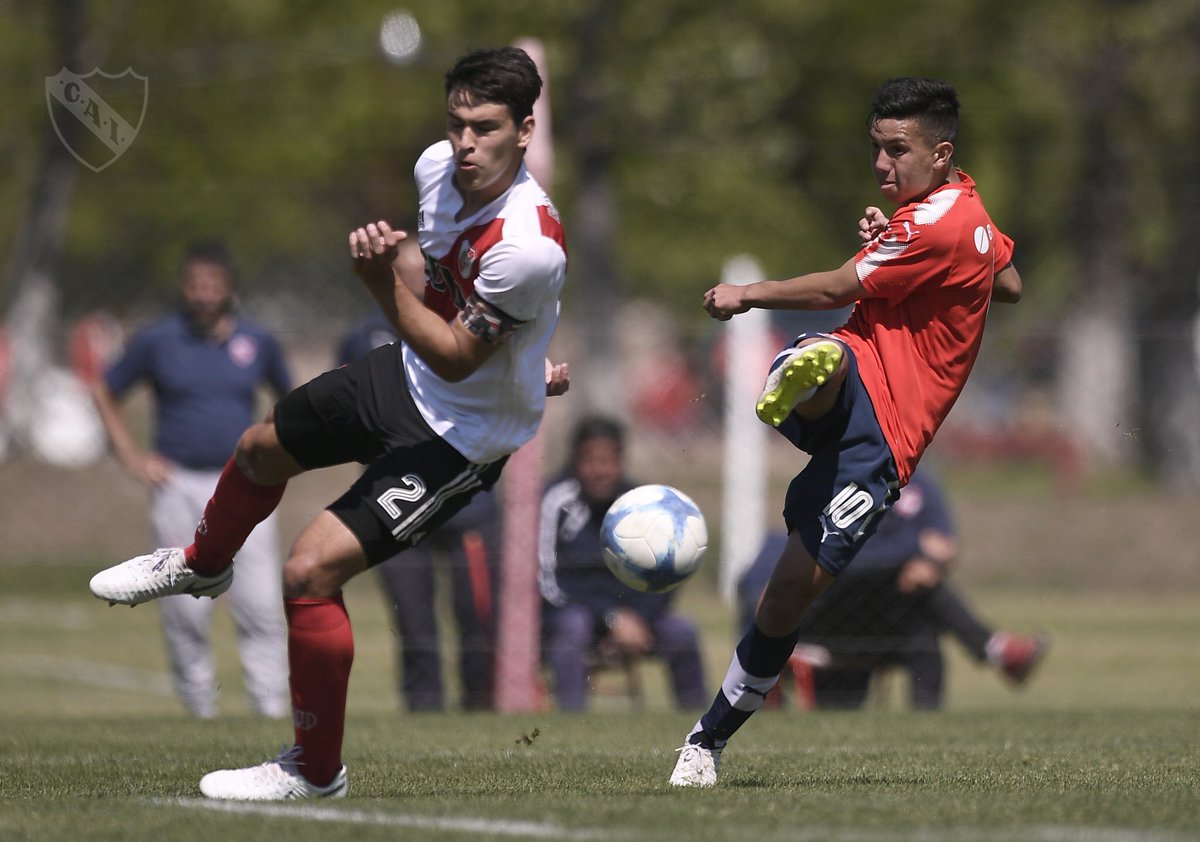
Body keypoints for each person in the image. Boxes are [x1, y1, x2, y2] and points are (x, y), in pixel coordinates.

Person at [89, 46, 570, 800]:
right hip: (407, 377)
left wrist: (382, 284)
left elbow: (454, 356)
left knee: (308, 572)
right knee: (257, 449)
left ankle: (314, 773)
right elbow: (438, 285)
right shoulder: (435, 170)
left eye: (484, 127)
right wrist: (398, 264)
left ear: (526, 130)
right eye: (456, 124)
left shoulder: (530, 246)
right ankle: (204, 563)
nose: (465, 144)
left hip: (463, 435)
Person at [672, 76, 1023, 787]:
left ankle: (707, 739)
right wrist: (902, 251)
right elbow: (1008, 281)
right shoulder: (964, 208)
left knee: (788, 593)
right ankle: (805, 373)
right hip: (862, 374)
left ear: (941, 151)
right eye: (876, 149)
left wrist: (747, 295)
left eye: (897, 151)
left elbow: (838, 287)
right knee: (833, 355)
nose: (882, 166)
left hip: (886, 444)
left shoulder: (938, 224)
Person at [91, 239, 292, 719]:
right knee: (185, 608)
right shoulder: (157, 340)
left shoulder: (257, 342)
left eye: (212, 285)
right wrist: (131, 456)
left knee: (261, 603)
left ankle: (271, 707)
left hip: (245, 487)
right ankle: (200, 710)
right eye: (195, 285)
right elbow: (104, 390)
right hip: (178, 487)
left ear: (228, 288)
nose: (203, 294)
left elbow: (292, 398)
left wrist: (275, 453)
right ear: (185, 288)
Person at [738, 468, 1047, 710]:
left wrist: (921, 561)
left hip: (883, 622)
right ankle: (997, 649)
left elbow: (944, 547)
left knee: (925, 635)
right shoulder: (838, 474)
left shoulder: (921, 481)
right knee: (921, 591)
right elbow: (834, 555)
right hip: (826, 622)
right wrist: (910, 554)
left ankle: (929, 737)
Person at [338, 311, 501, 712]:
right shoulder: (362, 337)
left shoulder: (477, 324)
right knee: (414, 625)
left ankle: (480, 715)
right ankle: (423, 720)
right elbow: (346, 408)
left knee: (478, 620)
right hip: (396, 502)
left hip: (468, 504)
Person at [538, 416, 707, 711]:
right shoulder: (555, 502)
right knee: (573, 627)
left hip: (636, 618)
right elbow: (546, 581)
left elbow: (668, 572)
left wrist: (637, 619)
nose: (601, 470)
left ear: (621, 460)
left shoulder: (641, 504)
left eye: (609, 460)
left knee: (682, 631)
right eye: (592, 460)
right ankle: (571, 727)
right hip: (574, 614)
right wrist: (611, 620)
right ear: (576, 461)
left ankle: (701, 734)